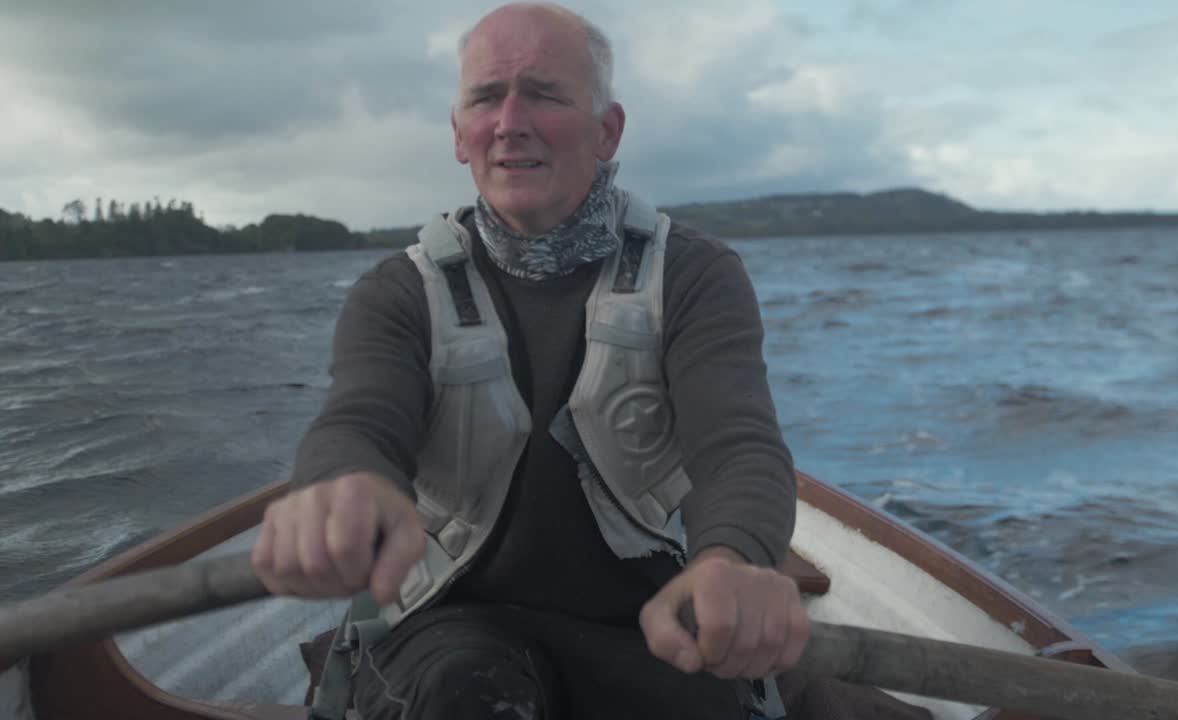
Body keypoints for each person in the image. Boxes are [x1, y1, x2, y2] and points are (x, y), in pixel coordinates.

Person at [251, 3, 809, 718]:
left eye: (544, 94)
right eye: (486, 98)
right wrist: (341, 487)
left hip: (644, 622)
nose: (510, 122)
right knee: (464, 691)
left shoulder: (696, 275)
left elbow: (737, 446)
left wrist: (733, 557)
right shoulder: (399, 292)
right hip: (443, 622)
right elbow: (359, 420)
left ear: (608, 130)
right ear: (460, 134)